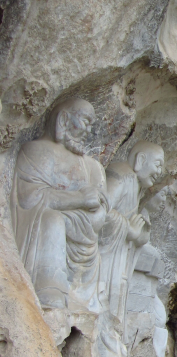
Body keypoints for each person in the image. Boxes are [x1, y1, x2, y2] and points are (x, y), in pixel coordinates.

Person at [11, 98, 108, 310]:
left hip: (84, 236)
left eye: (92, 124)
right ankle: (49, 288)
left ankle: (85, 302)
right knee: (53, 220)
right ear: (63, 119)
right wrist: (80, 199)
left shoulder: (91, 166)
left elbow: (102, 207)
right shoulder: (37, 151)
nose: (89, 131)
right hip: (43, 225)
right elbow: (31, 198)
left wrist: (94, 208)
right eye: (85, 121)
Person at [99, 141, 164, 322]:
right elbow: (100, 211)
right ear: (141, 159)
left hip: (117, 260)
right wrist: (128, 229)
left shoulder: (135, 185)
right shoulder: (123, 176)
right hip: (104, 261)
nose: (159, 172)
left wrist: (138, 236)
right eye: (158, 165)